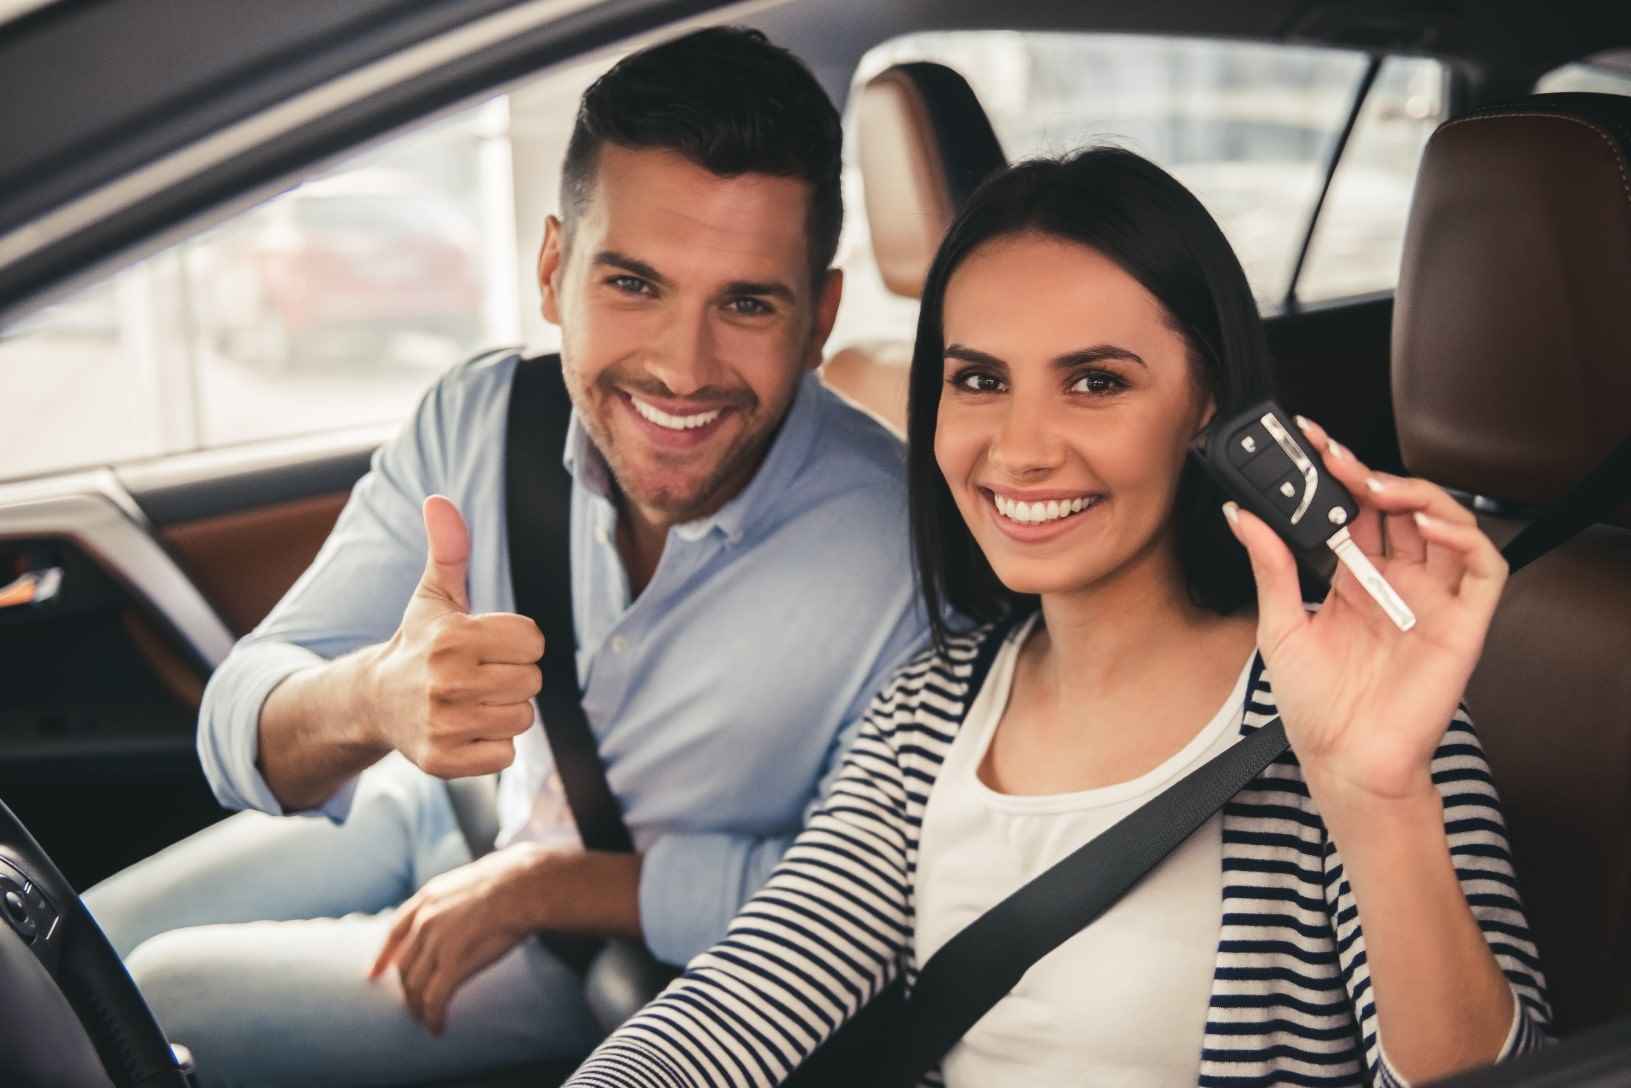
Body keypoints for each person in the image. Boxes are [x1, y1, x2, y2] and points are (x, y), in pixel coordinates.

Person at [564, 148, 1552, 1087]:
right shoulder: (929, 707)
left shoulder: (1349, 710)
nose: (1020, 447)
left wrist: (1374, 799)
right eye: (979, 379)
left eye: (1095, 381)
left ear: (1207, 407)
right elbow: (746, 994)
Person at [82, 27, 929, 1086]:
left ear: (819, 320)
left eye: (747, 303)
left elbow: (861, 904)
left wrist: (553, 886)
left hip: (601, 960)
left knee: (152, 999)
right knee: (61, 950)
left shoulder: (896, 552)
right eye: (633, 283)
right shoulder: (484, 422)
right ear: (551, 270)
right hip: (435, 809)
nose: (682, 365)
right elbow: (238, 719)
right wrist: (374, 700)